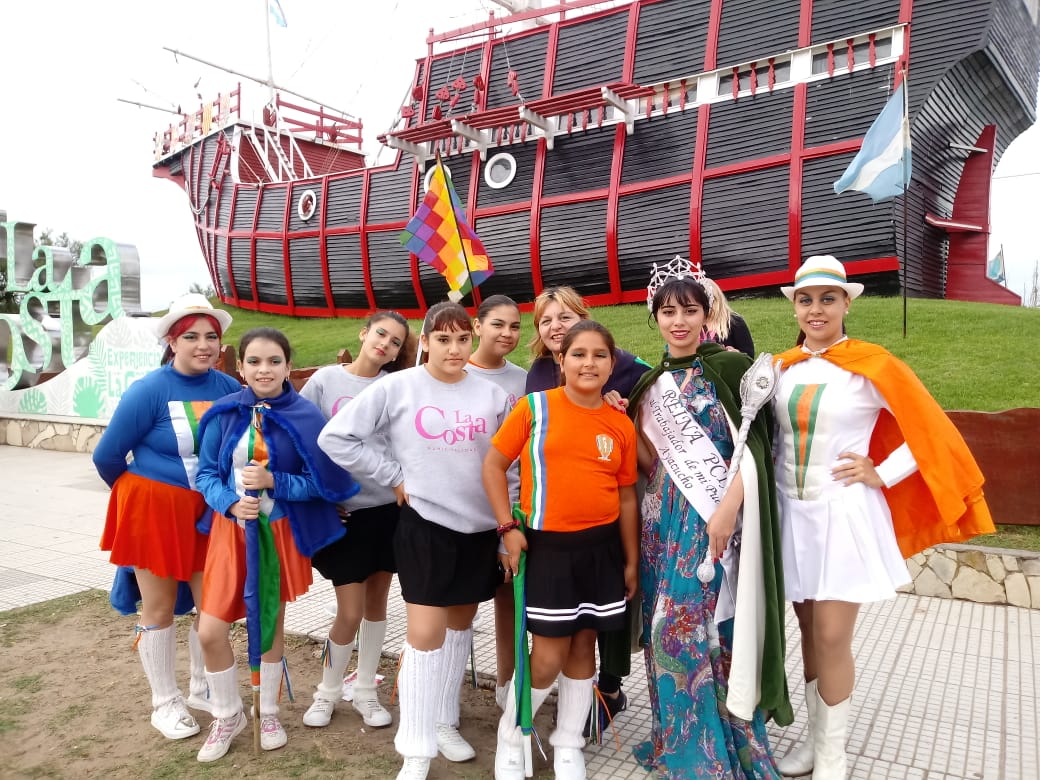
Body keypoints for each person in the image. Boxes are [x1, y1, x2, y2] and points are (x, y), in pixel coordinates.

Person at [771, 255, 994, 779]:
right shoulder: (781, 369)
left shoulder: (873, 365)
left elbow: (929, 429)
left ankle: (833, 756)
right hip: (790, 516)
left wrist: (882, 472)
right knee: (807, 629)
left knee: (831, 636)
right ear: (795, 307)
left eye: (828, 299)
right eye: (806, 300)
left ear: (846, 305)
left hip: (843, 516)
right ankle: (815, 741)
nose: (816, 309)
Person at [318, 301, 511, 780]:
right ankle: (416, 749)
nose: (453, 349)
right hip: (424, 525)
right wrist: (392, 476)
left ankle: (444, 721)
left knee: (459, 629)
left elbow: (510, 466)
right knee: (425, 637)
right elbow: (336, 437)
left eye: (462, 339)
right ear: (424, 341)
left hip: (479, 530)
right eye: (442, 339)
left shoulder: (492, 396)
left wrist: (506, 530)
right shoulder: (397, 386)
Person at [627, 264, 790, 777]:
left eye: (689, 310)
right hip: (661, 524)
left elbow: (756, 451)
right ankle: (678, 739)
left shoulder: (732, 367)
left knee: (708, 627)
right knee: (664, 629)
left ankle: (721, 749)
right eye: (668, 311)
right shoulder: (651, 383)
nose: (678, 321)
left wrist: (726, 513)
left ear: (706, 314)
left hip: (714, 517)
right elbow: (649, 463)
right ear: (655, 317)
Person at [192, 327, 359, 763]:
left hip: (277, 532)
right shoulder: (224, 413)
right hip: (231, 533)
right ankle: (227, 715)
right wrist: (230, 503)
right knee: (210, 630)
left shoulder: (305, 416)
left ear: (288, 366)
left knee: (268, 625)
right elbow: (205, 474)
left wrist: (274, 481)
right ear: (240, 367)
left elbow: (321, 483)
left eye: (273, 361)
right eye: (254, 361)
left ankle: (267, 712)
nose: (263, 370)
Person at [486, 320, 639, 780]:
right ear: (561, 360)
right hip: (549, 549)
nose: (589, 363)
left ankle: (568, 741)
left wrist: (631, 560)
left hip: (601, 551)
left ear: (612, 364)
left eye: (599, 355)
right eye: (579, 354)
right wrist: (507, 527)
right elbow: (494, 465)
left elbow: (626, 497)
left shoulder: (619, 423)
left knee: (584, 648)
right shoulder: (535, 407)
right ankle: (512, 734)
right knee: (549, 654)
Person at [92, 293, 240, 741]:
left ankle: (201, 686)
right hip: (153, 511)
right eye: (191, 336)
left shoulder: (228, 389)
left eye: (211, 336)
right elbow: (107, 456)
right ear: (172, 342)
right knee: (157, 607)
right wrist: (145, 494)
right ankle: (165, 702)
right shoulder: (149, 390)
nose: (203, 345)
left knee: (212, 605)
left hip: (209, 512)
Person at [523, 285, 650, 727]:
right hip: (554, 521)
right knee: (561, 627)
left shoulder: (625, 364)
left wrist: (620, 409)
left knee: (607, 612)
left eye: (565, 316)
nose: (555, 326)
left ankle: (609, 687)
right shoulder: (539, 373)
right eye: (546, 320)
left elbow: (651, 406)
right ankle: (540, 707)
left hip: (613, 503)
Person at [300, 312, 416, 729]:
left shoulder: (397, 386)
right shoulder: (325, 381)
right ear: (364, 333)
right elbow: (303, 440)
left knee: (376, 605)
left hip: (386, 511)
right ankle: (327, 692)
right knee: (348, 611)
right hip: (344, 514)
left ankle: (366, 689)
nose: (385, 343)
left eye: (395, 341)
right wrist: (320, 496)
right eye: (381, 333)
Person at [466, 294, 527, 710]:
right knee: (460, 604)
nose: (507, 333)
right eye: (497, 324)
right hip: (465, 508)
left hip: (511, 504)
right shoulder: (453, 372)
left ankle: (508, 682)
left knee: (509, 597)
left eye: (515, 326)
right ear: (477, 326)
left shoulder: (524, 379)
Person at [699, 275, 756, 357]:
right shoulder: (692, 323)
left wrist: (736, 353)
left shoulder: (734, 321)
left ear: (716, 299)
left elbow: (749, 355)